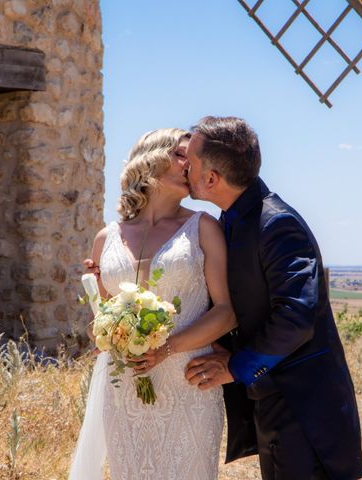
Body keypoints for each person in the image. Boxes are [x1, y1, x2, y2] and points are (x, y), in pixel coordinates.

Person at [183, 116, 362, 480]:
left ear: (210, 179)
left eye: (189, 161)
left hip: (305, 409)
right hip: (277, 403)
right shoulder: (232, 221)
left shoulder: (276, 223)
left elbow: (296, 317)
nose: (182, 167)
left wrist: (235, 367)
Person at [70, 128, 236, 480]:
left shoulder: (203, 228)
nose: (190, 165)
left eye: (193, 158)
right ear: (151, 160)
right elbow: (98, 325)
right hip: (125, 388)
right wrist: (104, 314)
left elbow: (226, 312)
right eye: (181, 155)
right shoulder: (106, 239)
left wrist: (167, 349)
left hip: (189, 381)